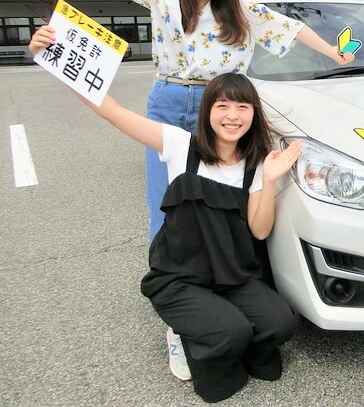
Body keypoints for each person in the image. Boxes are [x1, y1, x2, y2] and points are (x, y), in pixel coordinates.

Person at [13, 0, 354, 243]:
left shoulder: (243, 11)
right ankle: (166, 271)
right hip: (168, 99)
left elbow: (292, 29)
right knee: (164, 195)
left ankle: (222, 266)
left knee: (221, 192)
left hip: (219, 108)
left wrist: (334, 53)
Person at [30, 27, 300, 402]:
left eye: (242, 107)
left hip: (234, 274)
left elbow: (258, 231)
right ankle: (183, 329)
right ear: (208, 111)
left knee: (281, 323)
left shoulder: (256, 166)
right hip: (181, 276)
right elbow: (114, 112)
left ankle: (219, 322)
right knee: (230, 332)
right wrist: (53, 58)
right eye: (222, 105)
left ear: (253, 114)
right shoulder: (179, 145)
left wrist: (269, 182)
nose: (232, 115)